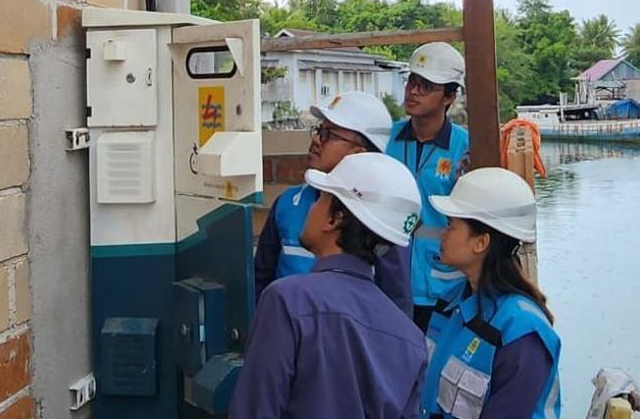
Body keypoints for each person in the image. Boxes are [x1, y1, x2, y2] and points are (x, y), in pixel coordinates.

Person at [230, 153, 427, 418]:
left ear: (335, 219)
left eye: (321, 197)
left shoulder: (287, 301)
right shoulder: (412, 340)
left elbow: (254, 410)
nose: (311, 207)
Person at [254, 91, 411, 315]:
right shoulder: (287, 204)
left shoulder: (379, 218)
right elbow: (260, 279)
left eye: (330, 135)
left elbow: (396, 305)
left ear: (358, 153)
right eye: (319, 130)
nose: (316, 140)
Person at [421, 167, 561, 419]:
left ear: (480, 242)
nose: (442, 233)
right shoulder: (450, 303)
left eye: (451, 225)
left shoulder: (522, 333)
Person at [386, 42, 470, 331]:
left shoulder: (465, 148)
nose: (414, 91)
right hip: (390, 282)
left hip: (445, 289)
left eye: (426, 85)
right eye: (412, 82)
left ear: (449, 95)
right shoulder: (386, 139)